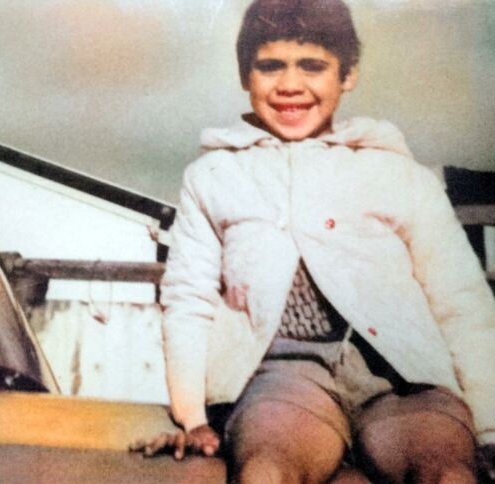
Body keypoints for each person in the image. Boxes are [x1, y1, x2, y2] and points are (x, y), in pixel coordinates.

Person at [140, 0, 495, 482]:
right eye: (270, 66)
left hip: (403, 381)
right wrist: (193, 417)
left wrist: (490, 427)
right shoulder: (214, 177)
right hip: (284, 381)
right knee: (265, 472)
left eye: (312, 66)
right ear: (245, 75)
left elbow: (461, 302)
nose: (290, 84)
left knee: (447, 474)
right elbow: (188, 298)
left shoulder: (397, 173)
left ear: (347, 75)